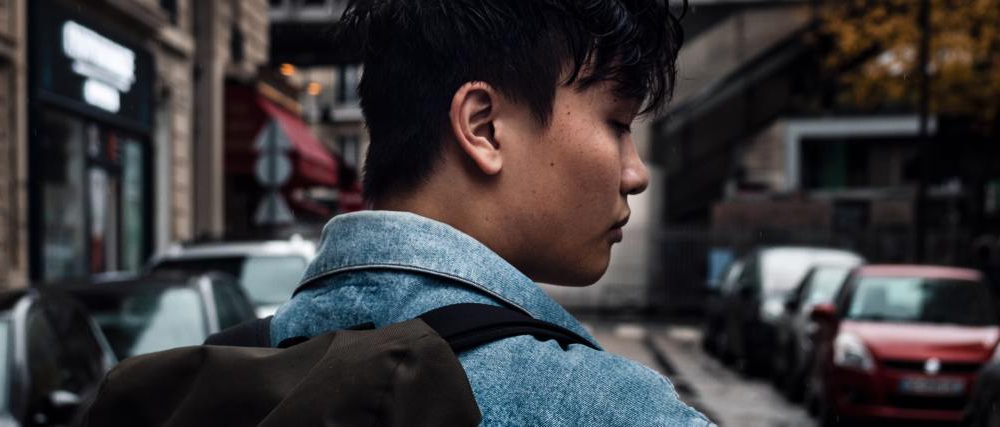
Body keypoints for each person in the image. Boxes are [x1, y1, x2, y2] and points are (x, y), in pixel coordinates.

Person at [270, 0, 713, 425]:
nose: (636, 174)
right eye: (617, 124)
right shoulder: (615, 411)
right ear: (483, 128)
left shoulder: (225, 371)